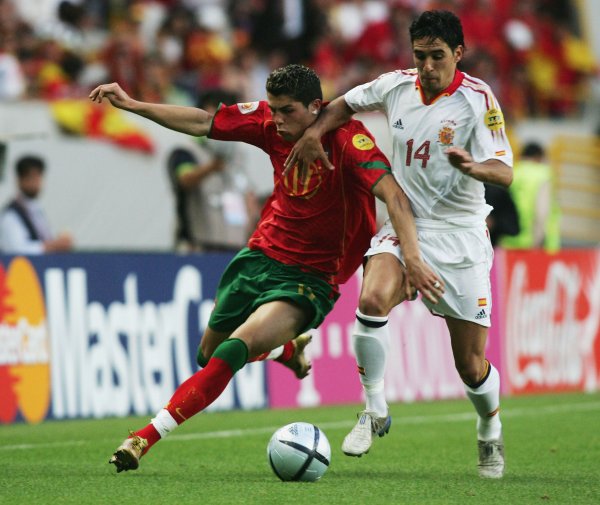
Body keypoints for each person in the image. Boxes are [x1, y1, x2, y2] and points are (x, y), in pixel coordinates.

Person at [89, 64, 441, 473]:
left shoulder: (349, 141)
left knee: (233, 349)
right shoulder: (268, 122)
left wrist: (411, 258)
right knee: (208, 354)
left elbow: (393, 196)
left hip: (310, 278)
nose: (277, 120)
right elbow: (204, 122)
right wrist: (132, 105)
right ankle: (286, 350)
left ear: (315, 107)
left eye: (287, 111)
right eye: (273, 109)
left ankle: (143, 438)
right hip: (259, 256)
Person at [286, 10, 513, 479]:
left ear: (458, 54)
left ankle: (489, 430)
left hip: (460, 237)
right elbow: (342, 105)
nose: (427, 66)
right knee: (371, 300)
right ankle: (374, 409)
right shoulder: (395, 86)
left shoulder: (478, 100)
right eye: (420, 55)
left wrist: (473, 167)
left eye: (437, 56)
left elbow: (504, 171)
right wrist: (313, 133)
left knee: (471, 366)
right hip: (407, 221)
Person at [167, 89, 256, 252]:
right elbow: (184, 179)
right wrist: (212, 167)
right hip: (197, 246)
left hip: (235, 245)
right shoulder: (186, 149)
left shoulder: (237, 152)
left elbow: (247, 190)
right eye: (215, 112)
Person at [0, 155, 73, 254]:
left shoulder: (36, 210)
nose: (36, 183)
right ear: (20, 180)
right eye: (31, 178)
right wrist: (51, 246)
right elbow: (16, 249)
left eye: (39, 177)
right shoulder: (11, 214)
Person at [500, 141, 560, 252]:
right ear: (538, 157)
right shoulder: (543, 174)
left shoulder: (511, 173)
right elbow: (542, 211)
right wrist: (539, 239)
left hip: (508, 240)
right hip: (534, 243)